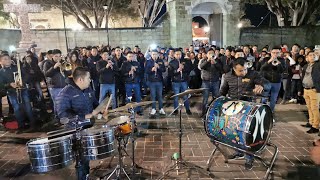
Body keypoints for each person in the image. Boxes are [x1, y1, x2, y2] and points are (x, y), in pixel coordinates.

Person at [220, 57, 270, 170]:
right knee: (234, 132)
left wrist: (262, 86)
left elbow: (267, 85)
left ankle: (249, 157)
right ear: (234, 69)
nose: (244, 72)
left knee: (248, 135)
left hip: (248, 109)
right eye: (241, 71)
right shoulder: (227, 76)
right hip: (233, 109)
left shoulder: (253, 74)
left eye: (245, 69)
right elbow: (223, 91)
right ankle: (239, 152)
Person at [56, 67, 99, 179]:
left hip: (87, 128)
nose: (90, 80)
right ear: (81, 79)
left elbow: (95, 103)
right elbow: (62, 116)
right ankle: (82, 176)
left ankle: (86, 175)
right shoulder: (65, 93)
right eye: (88, 78)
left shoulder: (88, 89)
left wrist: (100, 109)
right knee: (81, 159)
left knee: (87, 156)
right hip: (75, 131)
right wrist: (83, 116)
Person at [0, 53, 35, 133]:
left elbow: (27, 76)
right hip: (12, 92)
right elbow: (1, 84)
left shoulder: (17, 67)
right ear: (1, 62)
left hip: (23, 90)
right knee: (17, 109)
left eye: (8, 58)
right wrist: (10, 84)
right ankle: (21, 126)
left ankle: (33, 124)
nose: (7, 60)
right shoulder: (1, 72)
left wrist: (22, 81)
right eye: (5, 59)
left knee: (28, 107)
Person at [301, 51, 320, 134]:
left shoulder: (318, 65)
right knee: (309, 107)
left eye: (313, 55)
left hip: (314, 89)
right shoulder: (305, 66)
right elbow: (303, 76)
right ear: (307, 57)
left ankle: (315, 126)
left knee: (314, 108)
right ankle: (311, 122)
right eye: (310, 55)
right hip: (306, 89)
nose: (312, 57)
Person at [168, 49, 192, 115]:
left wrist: (183, 68)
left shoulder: (184, 61)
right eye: (177, 54)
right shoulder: (172, 62)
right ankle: (176, 109)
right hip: (176, 81)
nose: (179, 56)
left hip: (184, 80)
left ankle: (187, 109)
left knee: (185, 96)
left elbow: (188, 70)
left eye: (180, 54)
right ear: (174, 55)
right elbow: (170, 73)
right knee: (176, 96)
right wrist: (177, 70)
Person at [145, 50, 166, 116]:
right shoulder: (148, 62)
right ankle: (153, 108)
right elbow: (146, 71)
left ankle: (161, 108)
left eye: (156, 54)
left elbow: (164, 70)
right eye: (153, 54)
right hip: (152, 81)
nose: (155, 56)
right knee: (153, 96)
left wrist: (159, 67)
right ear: (151, 55)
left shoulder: (160, 61)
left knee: (160, 96)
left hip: (159, 81)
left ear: (158, 55)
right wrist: (152, 69)